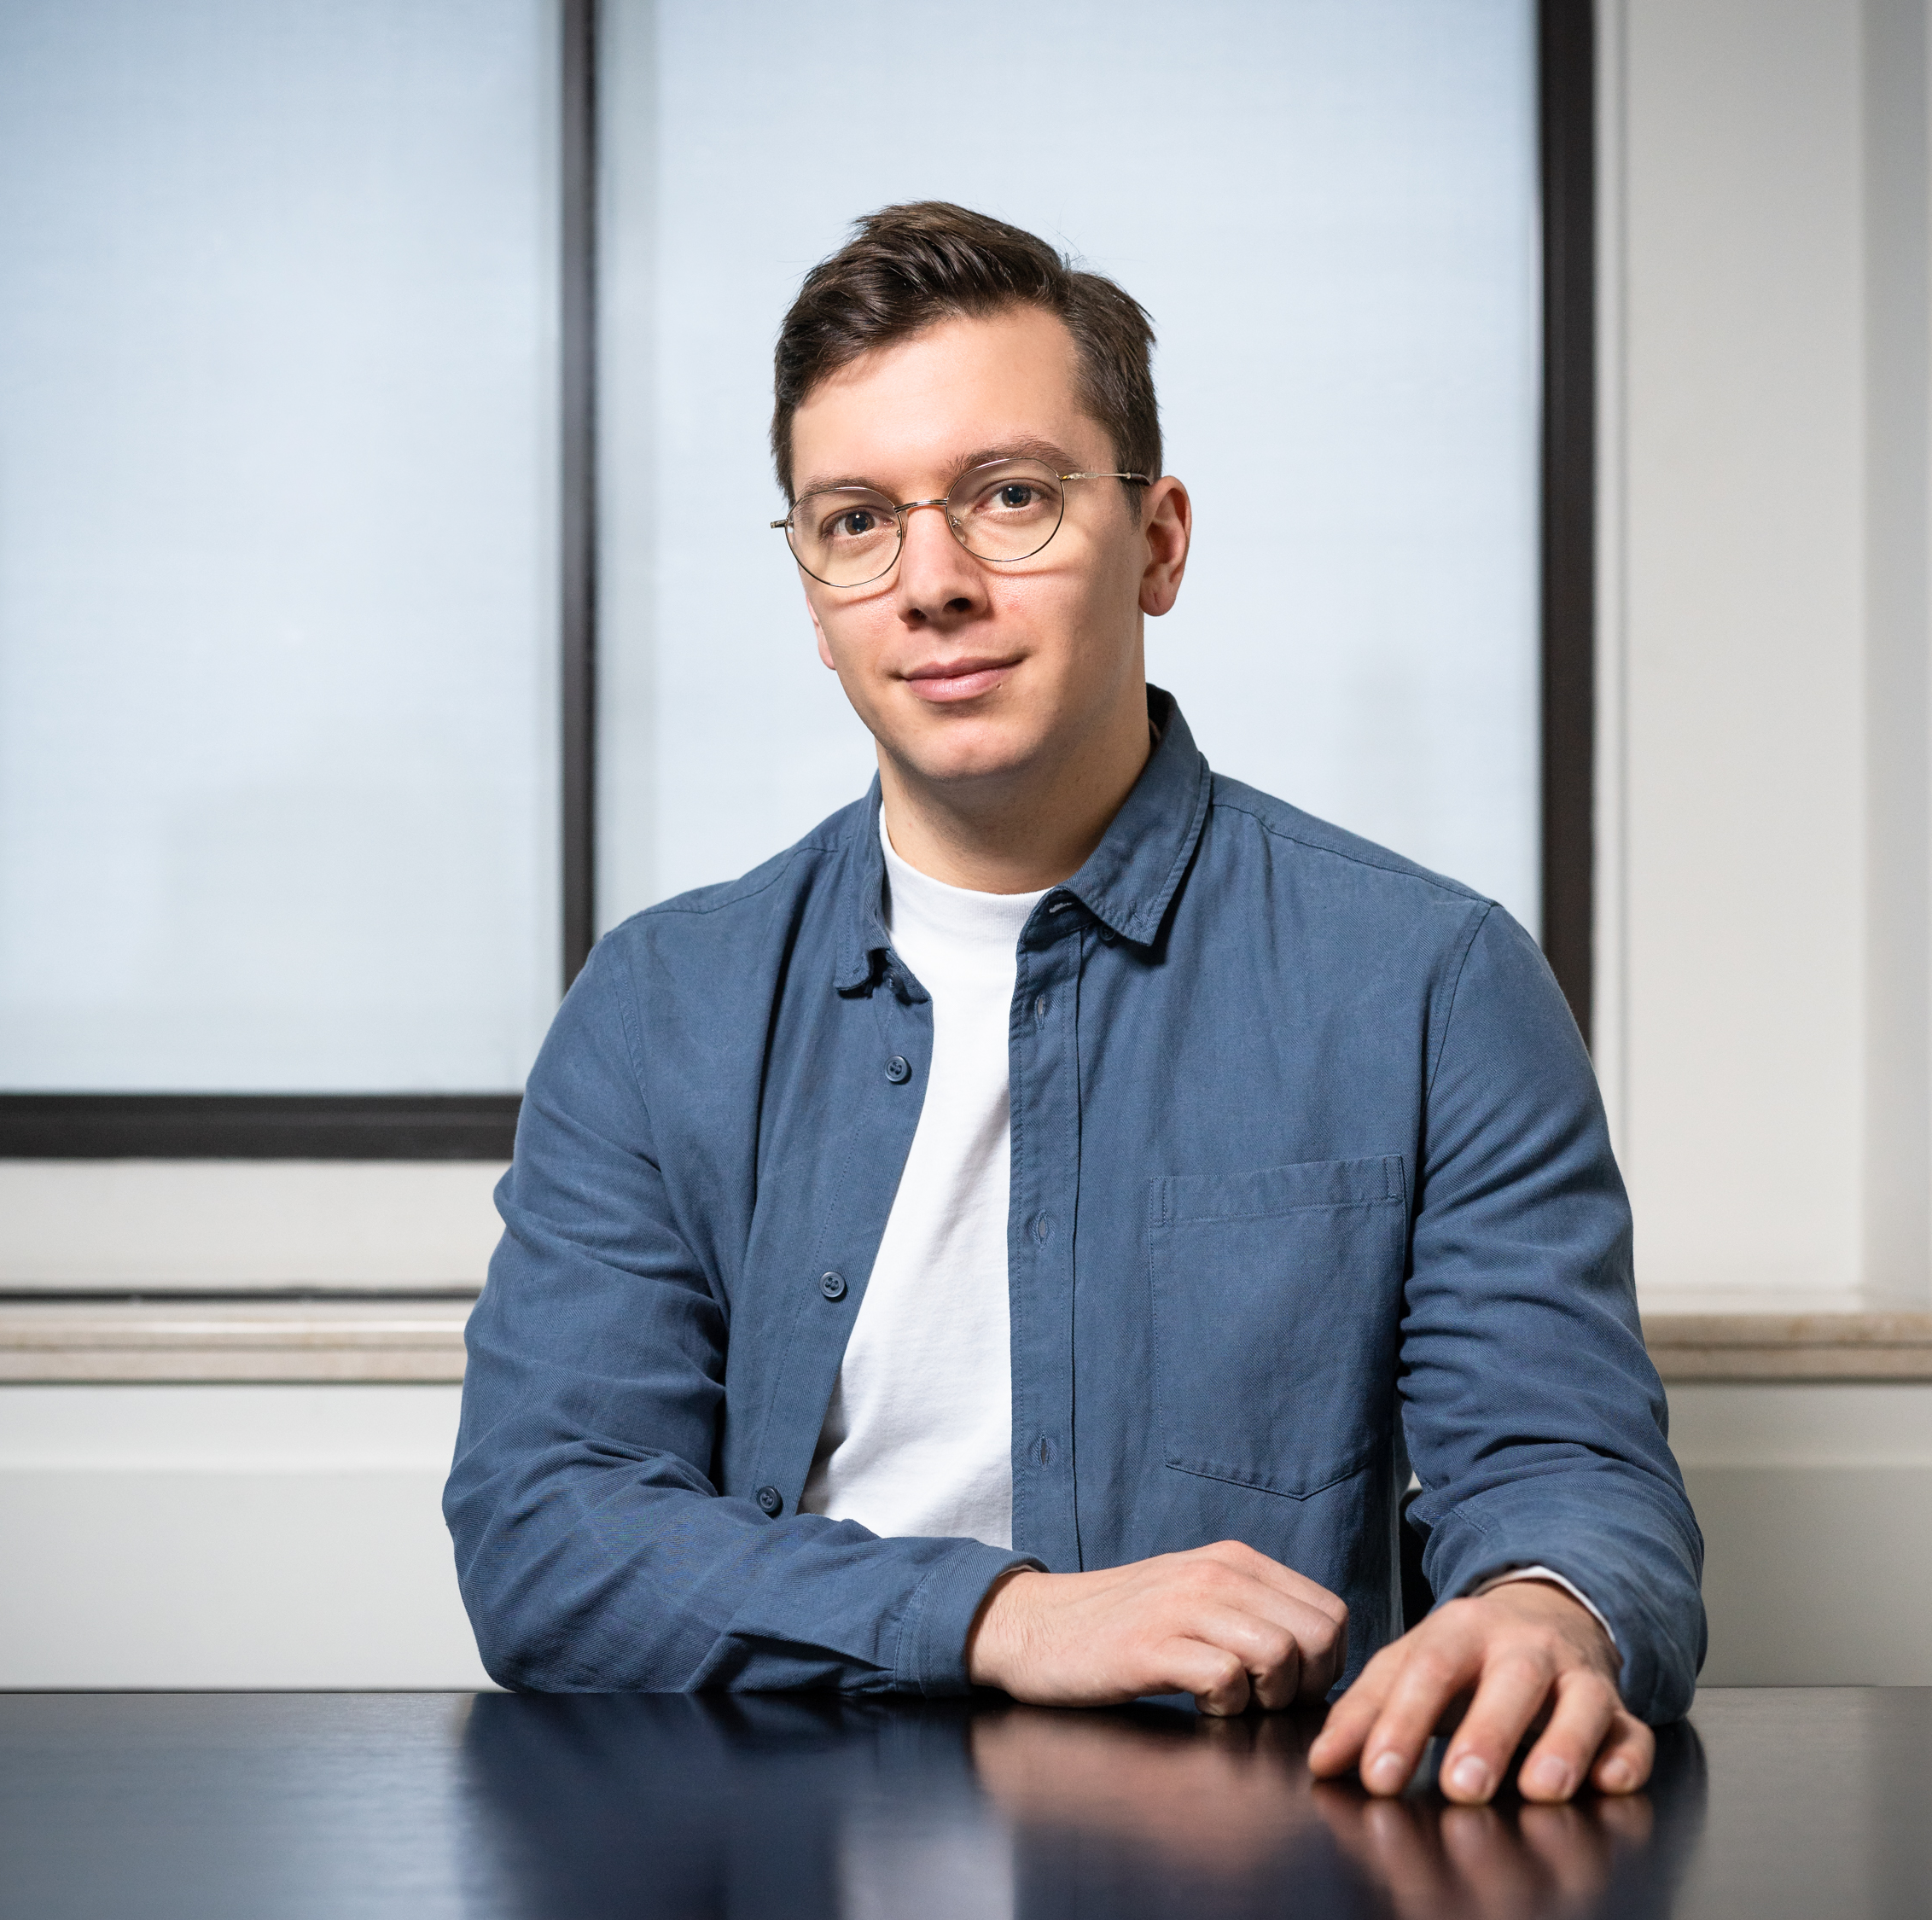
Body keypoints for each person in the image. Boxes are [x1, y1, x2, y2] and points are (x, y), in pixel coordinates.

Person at [445, 201, 1702, 1806]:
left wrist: (1548, 1609)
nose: (934, 584)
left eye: (1011, 498)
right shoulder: (657, 1005)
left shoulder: (1431, 979)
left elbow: (1566, 1468)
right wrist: (1001, 1616)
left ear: (1159, 539)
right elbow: (550, 1530)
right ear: (815, 591)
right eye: (855, 521)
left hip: (1249, 1854)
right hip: (761, 1841)